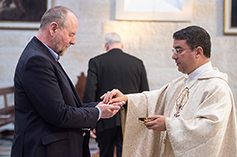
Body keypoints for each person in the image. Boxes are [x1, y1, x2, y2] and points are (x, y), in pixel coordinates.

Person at [102, 26, 237, 157]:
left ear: (198, 52)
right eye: (174, 50)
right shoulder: (182, 82)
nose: (173, 56)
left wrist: (169, 125)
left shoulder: (217, 88)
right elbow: (155, 99)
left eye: (179, 50)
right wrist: (126, 99)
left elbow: (210, 129)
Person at [11, 6, 124, 157]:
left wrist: (97, 105)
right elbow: (59, 114)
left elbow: (66, 106)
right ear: (53, 29)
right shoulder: (36, 60)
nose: (73, 41)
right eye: (71, 34)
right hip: (43, 151)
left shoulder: (44, 56)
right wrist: (98, 113)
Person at [83, 31, 149, 157]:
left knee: (105, 153)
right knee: (126, 153)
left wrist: (89, 120)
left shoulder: (96, 62)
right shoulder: (137, 63)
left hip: (104, 119)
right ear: (122, 45)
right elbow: (144, 93)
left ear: (106, 46)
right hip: (130, 120)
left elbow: (90, 91)